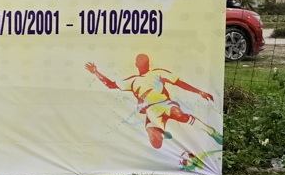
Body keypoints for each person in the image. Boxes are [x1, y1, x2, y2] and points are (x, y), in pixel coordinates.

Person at [85, 54, 222, 149]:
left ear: (148, 63)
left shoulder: (158, 73)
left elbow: (179, 83)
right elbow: (111, 85)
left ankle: (210, 131)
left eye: (145, 61)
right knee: (156, 144)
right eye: (140, 62)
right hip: (151, 110)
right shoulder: (132, 81)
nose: (142, 64)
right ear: (136, 64)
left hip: (166, 104)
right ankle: (160, 134)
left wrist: (200, 92)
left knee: (178, 113)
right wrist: (95, 72)